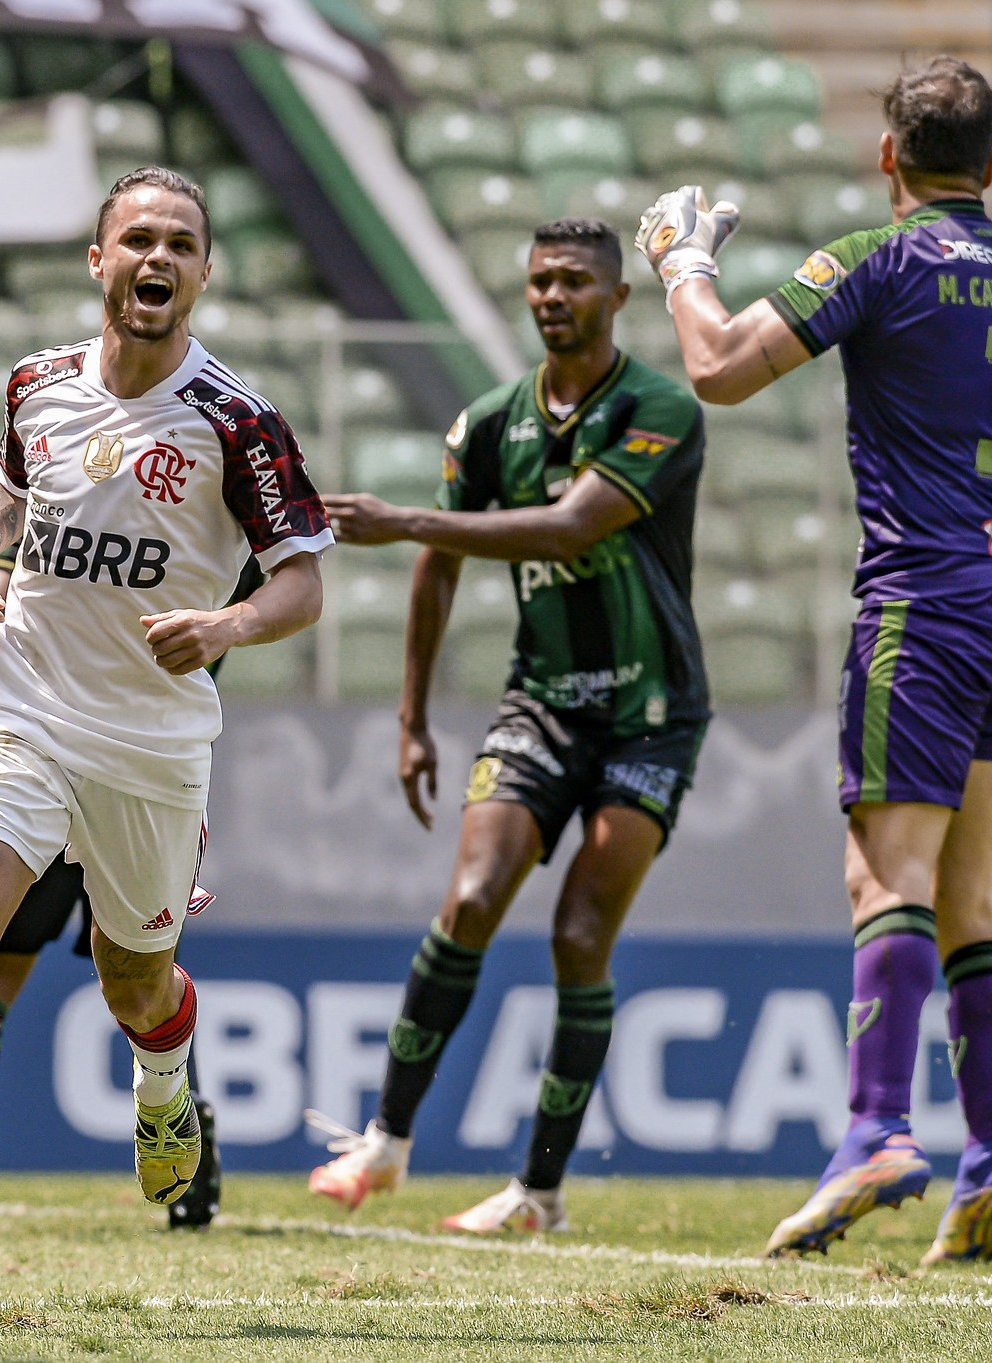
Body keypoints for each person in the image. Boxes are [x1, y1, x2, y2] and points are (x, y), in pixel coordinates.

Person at [0, 166, 333, 1312]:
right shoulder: (36, 386)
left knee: (134, 981)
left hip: (150, 744)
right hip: (20, 710)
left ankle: (164, 1074)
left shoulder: (237, 420)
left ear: (204, 273)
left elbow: (305, 582)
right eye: (137, 240)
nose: (156, 259)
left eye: (180, 244)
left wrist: (230, 621)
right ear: (99, 260)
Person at [634, 56, 992, 1265]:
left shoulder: (880, 258)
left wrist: (682, 261)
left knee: (882, 882)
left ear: (888, 156)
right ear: (989, 165)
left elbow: (717, 368)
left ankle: (878, 1129)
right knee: (968, 892)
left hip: (923, 604)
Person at [309, 217, 709, 1233]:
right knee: (474, 894)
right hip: (540, 701)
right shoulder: (489, 423)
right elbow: (439, 567)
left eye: (573, 280)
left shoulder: (659, 409)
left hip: (648, 716)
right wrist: (410, 716)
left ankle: (538, 1191)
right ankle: (385, 1142)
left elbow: (572, 524)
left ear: (617, 298)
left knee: (579, 938)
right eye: (537, 280)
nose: (550, 295)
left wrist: (405, 517)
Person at [0, 547, 263, 1225]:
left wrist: (298, 539)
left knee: (143, 978)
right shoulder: (63, 476)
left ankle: (177, 1124)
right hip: (40, 759)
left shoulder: (224, 490)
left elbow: (293, 573)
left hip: (143, 773)